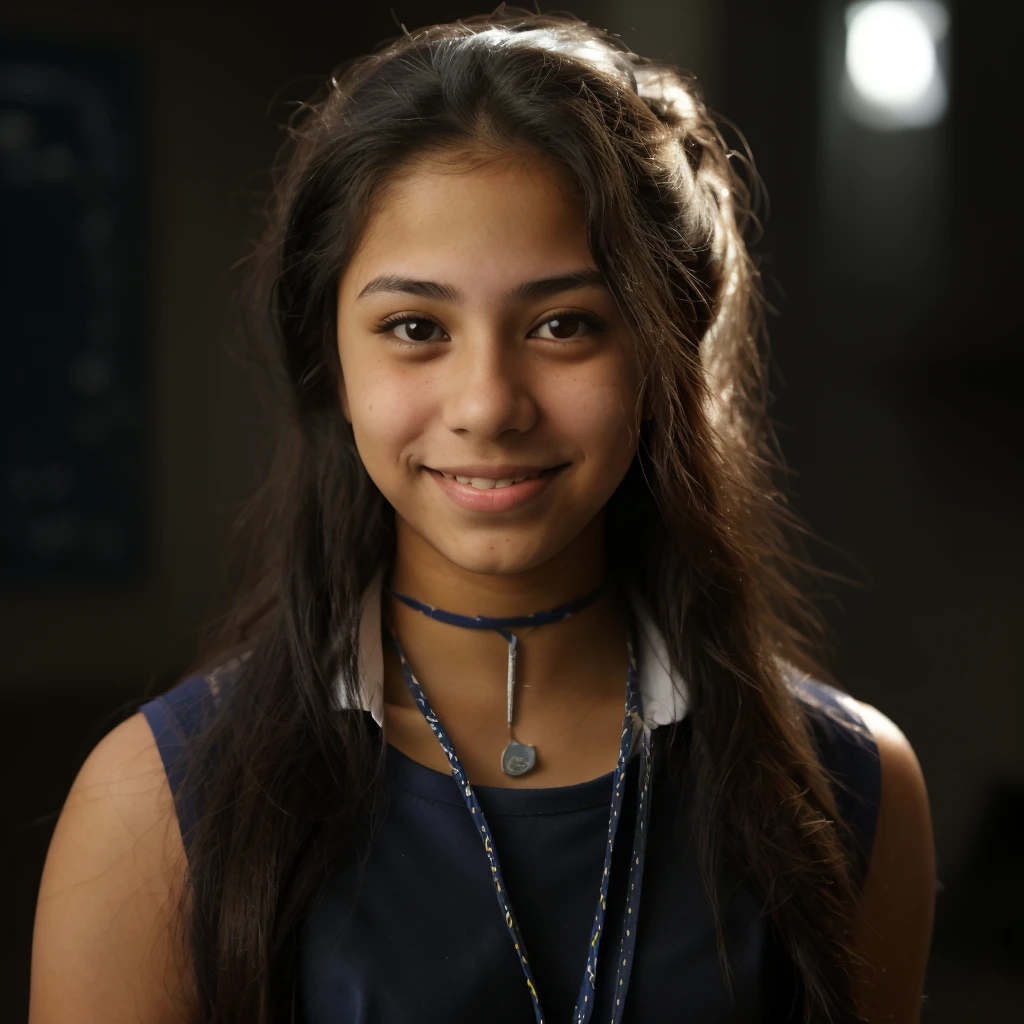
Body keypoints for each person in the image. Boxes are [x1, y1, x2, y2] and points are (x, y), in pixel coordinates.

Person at [28, 6, 935, 1023]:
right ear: (329, 359)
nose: (488, 405)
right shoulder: (154, 803)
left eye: (564, 324)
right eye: (415, 327)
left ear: (661, 350)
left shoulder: (850, 788)